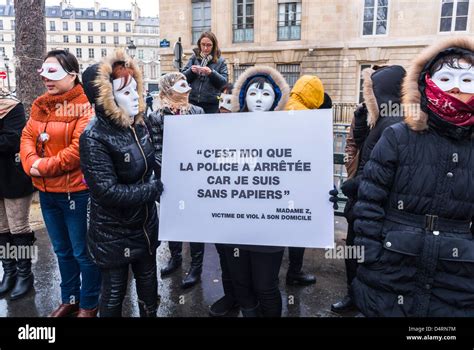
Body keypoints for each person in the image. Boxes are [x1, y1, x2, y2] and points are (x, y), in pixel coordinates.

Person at [352, 37, 474, 317]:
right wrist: (370, 254)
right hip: (392, 265)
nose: (456, 87)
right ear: (426, 82)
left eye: (467, 81)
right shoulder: (398, 136)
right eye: (446, 78)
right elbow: (369, 199)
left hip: (456, 274)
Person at [80, 50, 163, 318]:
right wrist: (154, 189)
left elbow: (151, 162)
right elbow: (107, 191)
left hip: (145, 225)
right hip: (113, 233)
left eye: (135, 90)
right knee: (114, 293)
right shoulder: (93, 137)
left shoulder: (138, 125)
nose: (136, 97)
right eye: (126, 93)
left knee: (149, 286)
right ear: (106, 99)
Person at [20, 50, 101, 317]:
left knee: (81, 252)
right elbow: (28, 136)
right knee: (62, 251)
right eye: (43, 73)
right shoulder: (40, 104)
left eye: (53, 73)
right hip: (47, 193)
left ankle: (89, 304)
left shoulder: (85, 106)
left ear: (73, 74)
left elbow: (78, 149)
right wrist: (30, 161)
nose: (46, 79)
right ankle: (70, 299)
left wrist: (41, 166)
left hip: (75, 194)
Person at [331, 65, 407, 314]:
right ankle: (354, 296)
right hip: (363, 204)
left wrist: (355, 184)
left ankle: (361, 300)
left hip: (374, 208)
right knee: (354, 253)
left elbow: (384, 171)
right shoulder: (384, 119)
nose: (367, 97)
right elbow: (366, 150)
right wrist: (362, 124)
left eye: (371, 91)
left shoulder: (395, 124)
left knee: (363, 257)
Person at [226, 65, 290, 317]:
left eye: (265, 94)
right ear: (242, 97)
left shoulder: (290, 132)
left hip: (269, 227)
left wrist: (320, 192)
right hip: (235, 225)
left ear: (276, 97)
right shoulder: (227, 132)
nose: (259, 100)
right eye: (253, 94)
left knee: (265, 285)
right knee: (241, 284)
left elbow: (301, 169)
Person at [155, 72, 206, 289]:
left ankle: (196, 266)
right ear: (168, 89)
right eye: (179, 85)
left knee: (195, 221)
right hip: (169, 178)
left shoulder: (198, 112)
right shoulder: (157, 116)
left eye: (186, 85)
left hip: (194, 177)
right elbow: (156, 149)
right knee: (173, 220)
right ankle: (175, 258)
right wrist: (169, 172)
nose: (185, 88)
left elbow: (205, 146)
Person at [284, 75, 330, 286]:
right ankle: (294, 272)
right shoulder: (310, 118)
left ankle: (267, 275)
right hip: (299, 181)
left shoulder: (283, 106)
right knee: (297, 229)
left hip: (278, 179)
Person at [0, 89, 35, 300]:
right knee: (2, 229)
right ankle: (9, 273)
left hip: (13, 178)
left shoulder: (12, 106)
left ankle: (25, 275)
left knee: (18, 229)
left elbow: (12, 140)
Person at [209, 83, 239, 317]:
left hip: (244, 208)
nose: (225, 106)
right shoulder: (210, 128)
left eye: (231, 100)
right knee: (225, 255)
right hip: (220, 206)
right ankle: (231, 296)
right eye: (223, 100)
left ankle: (244, 297)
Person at [183, 31, 228, 114]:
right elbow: (182, 78)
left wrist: (211, 73)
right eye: (203, 44)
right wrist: (191, 71)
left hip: (211, 106)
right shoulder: (194, 58)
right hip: (192, 103)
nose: (205, 48)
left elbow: (224, 83)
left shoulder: (221, 61)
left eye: (209, 45)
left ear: (214, 45)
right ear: (199, 44)